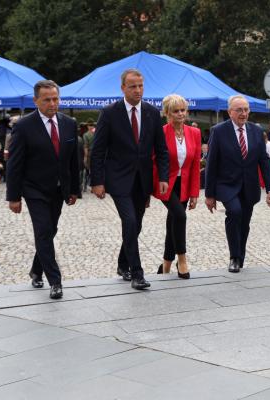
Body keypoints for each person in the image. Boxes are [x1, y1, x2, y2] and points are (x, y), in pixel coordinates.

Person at [90, 68, 169, 290]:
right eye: (133, 86)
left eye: (140, 85)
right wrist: (97, 181)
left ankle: (122, 264)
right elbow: (97, 150)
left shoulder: (152, 113)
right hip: (118, 179)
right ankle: (137, 273)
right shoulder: (109, 113)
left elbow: (161, 150)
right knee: (130, 221)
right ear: (122, 87)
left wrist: (162, 176)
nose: (137, 90)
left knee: (137, 225)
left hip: (142, 180)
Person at [5, 80, 80, 299]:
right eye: (47, 99)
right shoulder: (23, 126)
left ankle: (36, 269)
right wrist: (14, 196)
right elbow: (15, 163)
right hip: (34, 189)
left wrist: (74, 189)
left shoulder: (68, 123)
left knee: (50, 230)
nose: (52, 103)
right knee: (44, 231)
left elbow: (72, 161)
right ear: (36, 100)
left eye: (55, 99)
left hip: (59, 189)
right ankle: (55, 281)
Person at [204, 95, 270, 273]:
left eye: (246, 110)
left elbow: (264, 162)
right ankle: (234, 257)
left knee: (245, 222)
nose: (243, 113)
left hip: (249, 186)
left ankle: (240, 256)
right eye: (239, 110)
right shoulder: (219, 131)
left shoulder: (256, 132)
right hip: (226, 185)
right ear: (230, 112)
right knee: (234, 212)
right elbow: (211, 163)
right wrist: (209, 194)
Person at [153, 94, 201, 278]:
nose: (180, 114)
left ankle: (165, 265)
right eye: (176, 111)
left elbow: (196, 164)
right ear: (167, 113)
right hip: (165, 183)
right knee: (180, 216)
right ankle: (182, 259)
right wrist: (159, 181)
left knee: (172, 221)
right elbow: (154, 161)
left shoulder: (194, 133)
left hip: (185, 183)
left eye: (183, 110)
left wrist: (195, 192)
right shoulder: (161, 132)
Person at [83, 119, 96, 191]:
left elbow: (86, 147)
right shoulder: (97, 132)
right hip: (98, 153)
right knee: (96, 170)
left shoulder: (86, 135)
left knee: (88, 170)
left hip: (90, 154)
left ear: (87, 126)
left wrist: (85, 157)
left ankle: (87, 186)